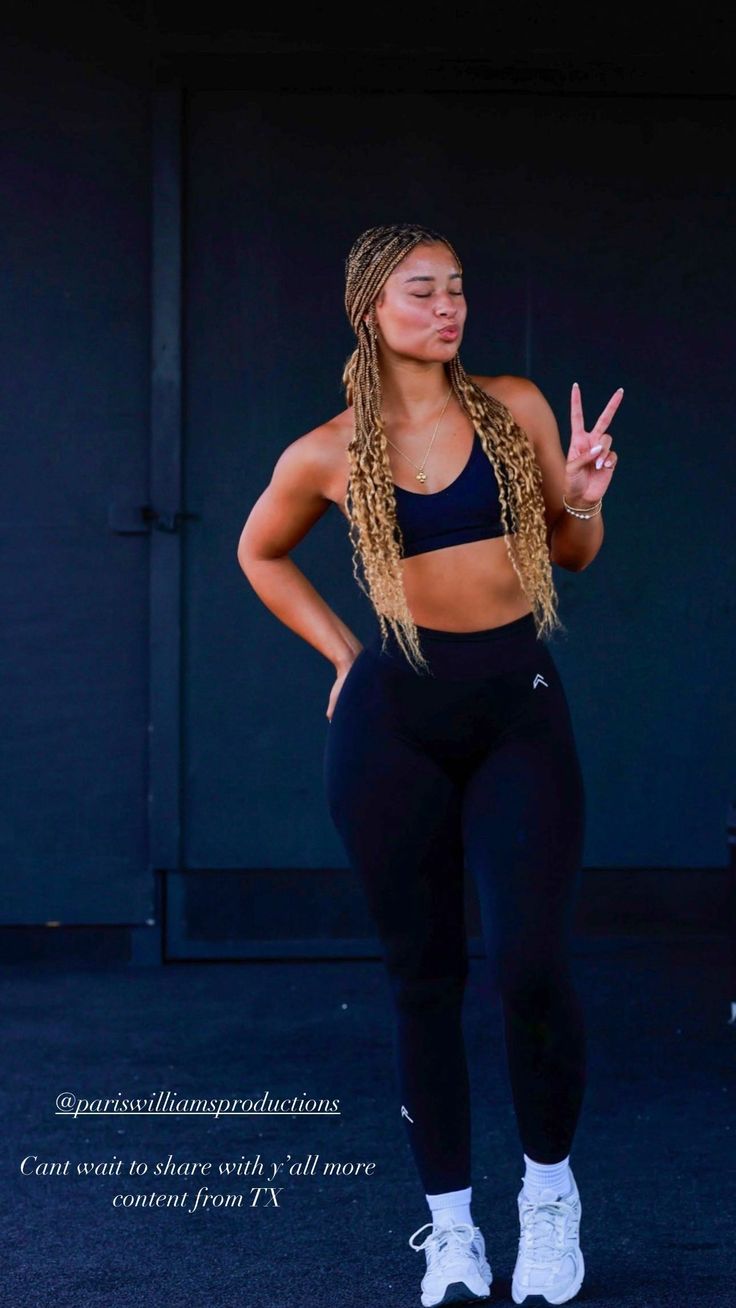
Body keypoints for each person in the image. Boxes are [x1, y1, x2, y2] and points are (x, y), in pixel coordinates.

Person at [236, 222, 621, 1307]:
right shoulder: (327, 449)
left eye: (456, 289)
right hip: (391, 722)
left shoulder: (516, 407)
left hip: (516, 714)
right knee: (423, 982)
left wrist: (583, 489)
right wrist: (345, 654)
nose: (446, 308)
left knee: (530, 964)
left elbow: (573, 552)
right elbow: (257, 551)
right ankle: (450, 1230)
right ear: (372, 308)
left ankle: (548, 1198)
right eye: (421, 292)